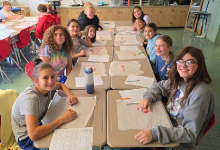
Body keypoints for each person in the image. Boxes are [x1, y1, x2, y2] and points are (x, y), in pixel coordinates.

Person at [136, 46, 215, 150]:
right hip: (166, 122)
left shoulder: (200, 92)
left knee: (137, 143)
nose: (183, 65)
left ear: (199, 65)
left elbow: (190, 133)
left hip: (177, 141)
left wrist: (155, 134)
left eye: (190, 62)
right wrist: (148, 97)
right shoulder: (180, 79)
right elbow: (159, 86)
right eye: (180, 61)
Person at [11, 59, 78, 150]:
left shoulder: (46, 86)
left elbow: (60, 85)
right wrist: (62, 119)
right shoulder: (31, 99)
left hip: (39, 124)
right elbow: (33, 135)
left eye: (53, 76)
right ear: (36, 81)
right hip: (26, 139)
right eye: (45, 78)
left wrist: (70, 95)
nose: (50, 81)